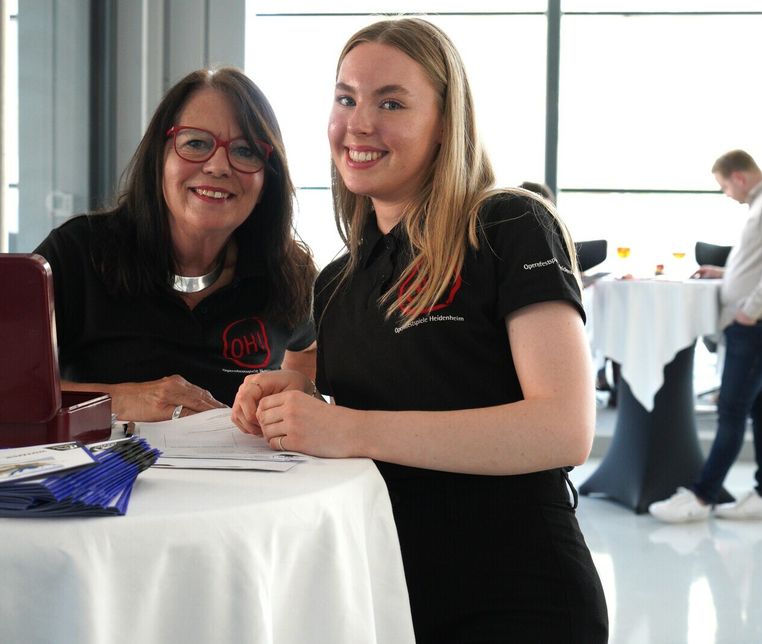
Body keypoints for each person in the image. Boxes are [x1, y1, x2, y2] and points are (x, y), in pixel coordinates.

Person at [232, 18, 607, 643]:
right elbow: (335, 398)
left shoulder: (508, 225)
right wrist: (290, 399)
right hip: (383, 592)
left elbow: (564, 429)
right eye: (346, 98)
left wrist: (350, 429)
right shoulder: (338, 282)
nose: (359, 123)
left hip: (516, 597)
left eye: (392, 103)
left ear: (445, 123)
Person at [34, 67, 317, 422]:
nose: (217, 166)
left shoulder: (287, 271)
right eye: (196, 143)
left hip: (242, 477)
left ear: (266, 181)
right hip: (109, 476)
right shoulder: (78, 253)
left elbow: (309, 351)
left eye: (245, 151)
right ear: (159, 160)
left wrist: (294, 396)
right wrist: (119, 398)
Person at [650, 150, 762, 523]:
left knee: (731, 408)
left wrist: (751, 310)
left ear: (738, 176)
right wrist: (724, 273)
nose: (726, 194)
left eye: (723, 186)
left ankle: (701, 498)